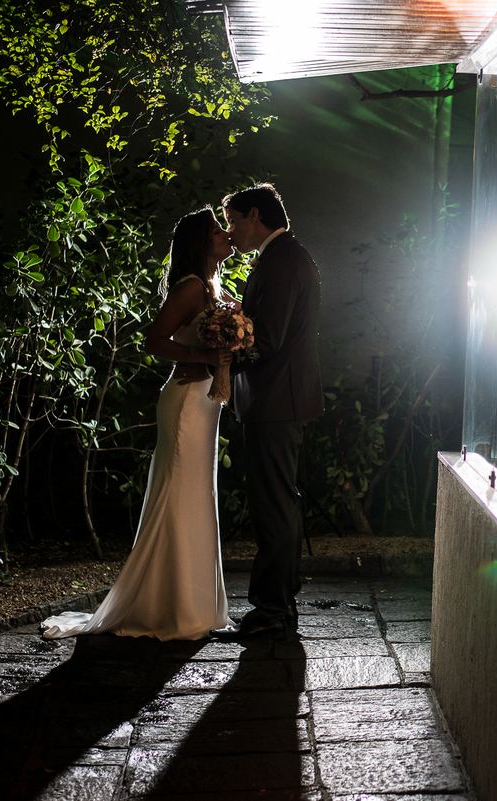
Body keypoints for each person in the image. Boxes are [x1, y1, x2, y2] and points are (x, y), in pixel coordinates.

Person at [41, 208, 235, 640]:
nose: (226, 234)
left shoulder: (212, 288)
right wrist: (203, 357)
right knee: (180, 495)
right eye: (218, 230)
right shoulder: (190, 288)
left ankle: (196, 603)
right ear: (201, 242)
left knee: (199, 497)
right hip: (186, 402)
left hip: (206, 404)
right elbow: (154, 340)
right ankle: (171, 607)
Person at [218, 183, 323, 640]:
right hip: (280, 398)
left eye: (234, 221)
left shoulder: (281, 260)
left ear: (255, 215)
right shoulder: (285, 257)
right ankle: (280, 602)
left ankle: (271, 609)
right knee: (282, 503)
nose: (231, 231)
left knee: (274, 506)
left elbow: (269, 338)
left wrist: (222, 356)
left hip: (277, 399)